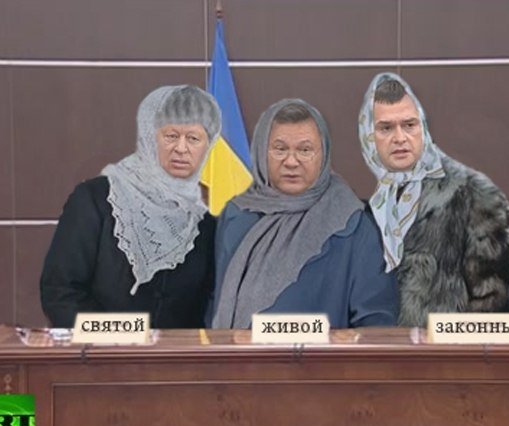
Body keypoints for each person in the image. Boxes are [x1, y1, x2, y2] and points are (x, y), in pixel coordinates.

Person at [40, 85, 220, 328]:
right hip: (99, 350)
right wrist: (122, 337)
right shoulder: (96, 200)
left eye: (193, 138)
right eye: (171, 136)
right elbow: (60, 292)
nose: (181, 148)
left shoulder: (204, 224)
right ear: (149, 136)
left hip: (176, 353)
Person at [211, 99, 398, 329]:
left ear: (323, 155)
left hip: (322, 354)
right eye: (280, 149)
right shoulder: (237, 215)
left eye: (305, 150)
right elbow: (214, 304)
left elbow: (376, 323)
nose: (291, 162)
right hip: (235, 352)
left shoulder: (354, 224)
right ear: (261, 152)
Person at [358, 72, 509, 327]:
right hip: (384, 351)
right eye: (386, 128)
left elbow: (498, 310)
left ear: (422, 127)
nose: (400, 138)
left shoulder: (473, 193)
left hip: (447, 352)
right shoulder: (373, 206)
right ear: (368, 136)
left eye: (409, 125)